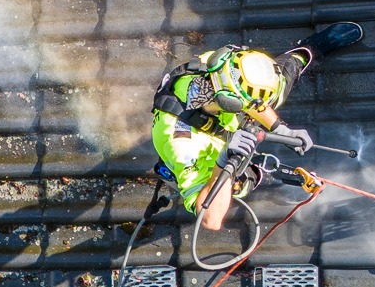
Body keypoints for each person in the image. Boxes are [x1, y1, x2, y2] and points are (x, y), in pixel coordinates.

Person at [152, 23, 362, 229]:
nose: (262, 109)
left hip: (219, 120)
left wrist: (279, 128)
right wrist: (223, 165)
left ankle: (306, 51)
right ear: (230, 102)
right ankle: (256, 176)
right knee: (245, 179)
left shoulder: (219, 65)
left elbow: (248, 98)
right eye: (254, 105)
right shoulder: (184, 148)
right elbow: (210, 220)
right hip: (208, 160)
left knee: (279, 82)